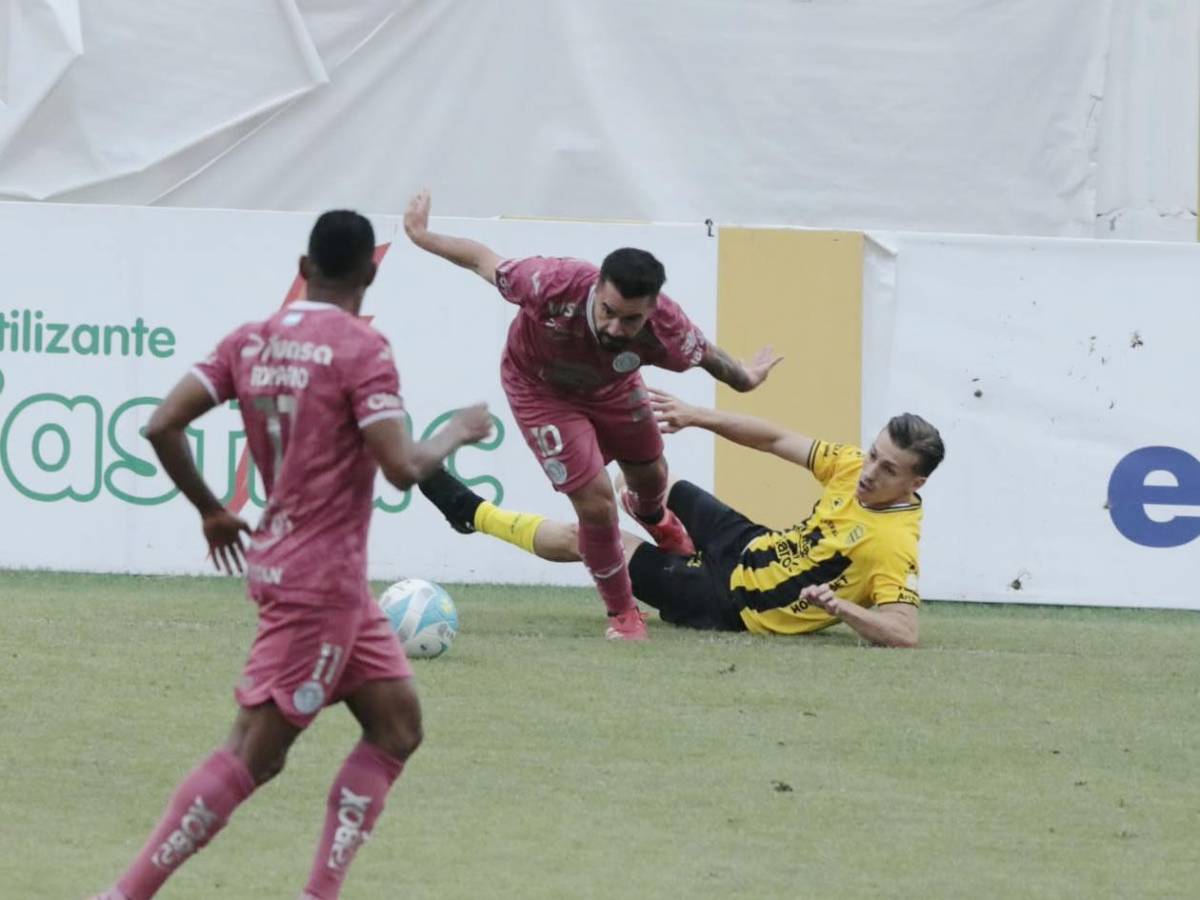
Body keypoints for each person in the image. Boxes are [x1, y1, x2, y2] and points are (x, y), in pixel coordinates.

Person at [88, 211, 492, 900]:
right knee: (254, 754)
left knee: (397, 727)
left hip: (315, 577)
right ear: (370, 272)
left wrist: (212, 510)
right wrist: (458, 429)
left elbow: (160, 424)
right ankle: (122, 895)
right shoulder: (363, 347)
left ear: (304, 268)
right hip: (321, 584)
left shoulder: (252, 339)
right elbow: (401, 467)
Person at [404, 190, 781, 640]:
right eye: (608, 312)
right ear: (597, 287)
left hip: (614, 389)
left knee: (650, 473)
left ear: (651, 311)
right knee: (596, 503)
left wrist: (746, 380)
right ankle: (623, 614)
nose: (615, 328)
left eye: (631, 321)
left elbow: (710, 358)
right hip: (539, 390)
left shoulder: (667, 329)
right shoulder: (552, 282)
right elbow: (483, 259)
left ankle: (654, 514)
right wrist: (422, 235)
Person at [418, 388, 945, 649]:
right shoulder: (853, 467)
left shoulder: (892, 543)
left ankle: (473, 514)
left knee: (593, 537)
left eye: (888, 468)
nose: (869, 470)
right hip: (749, 544)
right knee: (652, 475)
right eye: (873, 453)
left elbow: (905, 631)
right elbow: (775, 438)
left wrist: (844, 610)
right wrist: (696, 415)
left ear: (915, 484)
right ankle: (667, 527)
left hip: (731, 603)